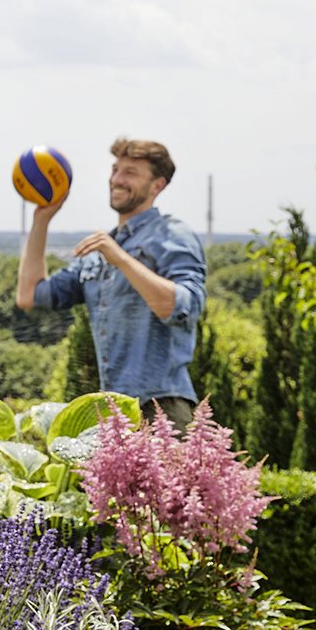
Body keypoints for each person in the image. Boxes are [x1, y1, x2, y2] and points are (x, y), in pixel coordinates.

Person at [15, 138, 206, 429]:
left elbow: (183, 308)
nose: (116, 179)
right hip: (113, 416)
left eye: (130, 172)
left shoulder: (171, 235)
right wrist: (42, 219)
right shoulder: (101, 251)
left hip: (162, 411)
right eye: (115, 169)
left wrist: (121, 259)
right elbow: (29, 295)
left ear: (157, 185)